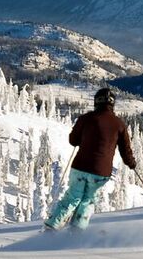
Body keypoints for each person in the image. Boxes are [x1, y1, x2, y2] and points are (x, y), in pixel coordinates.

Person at [44, 87, 136, 231]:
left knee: (72, 197)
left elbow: (73, 140)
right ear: (112, 104)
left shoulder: (85, 119)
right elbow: (125, 151)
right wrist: (131, 163)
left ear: (96, 102)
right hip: (101, 172)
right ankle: (76, 232)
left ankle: (52, 226)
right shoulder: (119, 124)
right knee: (88, 201)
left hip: (80, 167)